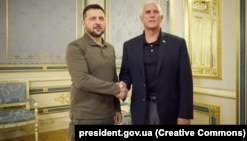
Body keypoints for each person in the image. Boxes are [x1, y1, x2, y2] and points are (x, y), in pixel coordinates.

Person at [119, 0, 193, 125]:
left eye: (156, 12)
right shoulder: (129, 46)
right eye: (147, 12)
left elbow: (186, 82)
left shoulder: (178, 44)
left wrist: (185, 114)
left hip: (170, 110)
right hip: (141, 109)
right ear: (141, 18)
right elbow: (126, 74)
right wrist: (123, 85)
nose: (152, 15)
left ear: (161, 17)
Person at [65, 4, 127, 141]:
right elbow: (82, 79)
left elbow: (113, 78)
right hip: (85, 117)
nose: (98, 22)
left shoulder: (110, 48)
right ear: (83, 23)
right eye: (92, 18)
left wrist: (117, 108)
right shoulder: (75, 47)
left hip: (108, 115)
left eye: (101, 18)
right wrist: (117, 88)